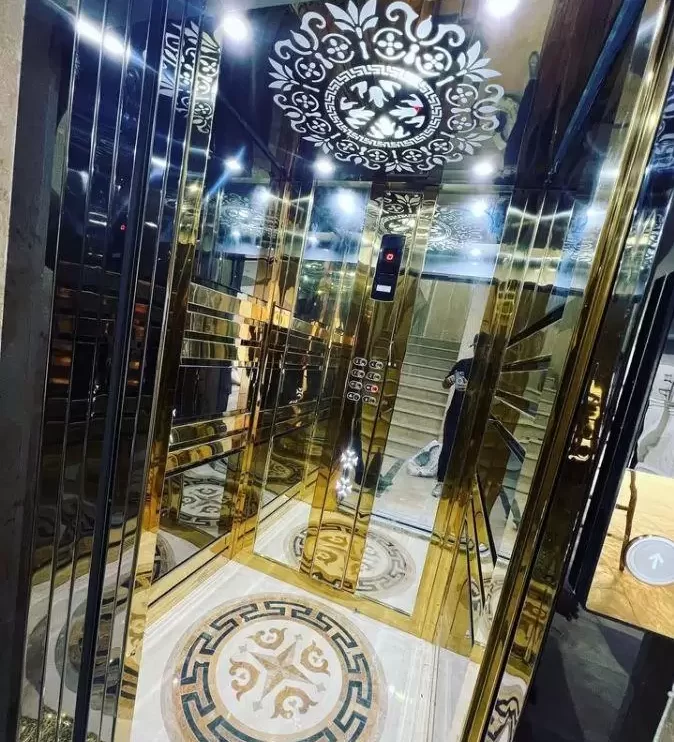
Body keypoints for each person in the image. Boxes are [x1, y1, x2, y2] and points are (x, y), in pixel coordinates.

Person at [432, 334, 479, 498]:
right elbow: (444, 384)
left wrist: (470, 389)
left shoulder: (487, 372)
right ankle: (441, 481)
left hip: (474, 418)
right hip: (455, 414)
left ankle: (461, 486)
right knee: (447, 448)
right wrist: (450, 380)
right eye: (476, 346)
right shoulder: (463, 364)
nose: (477, 350)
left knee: (469, 453)